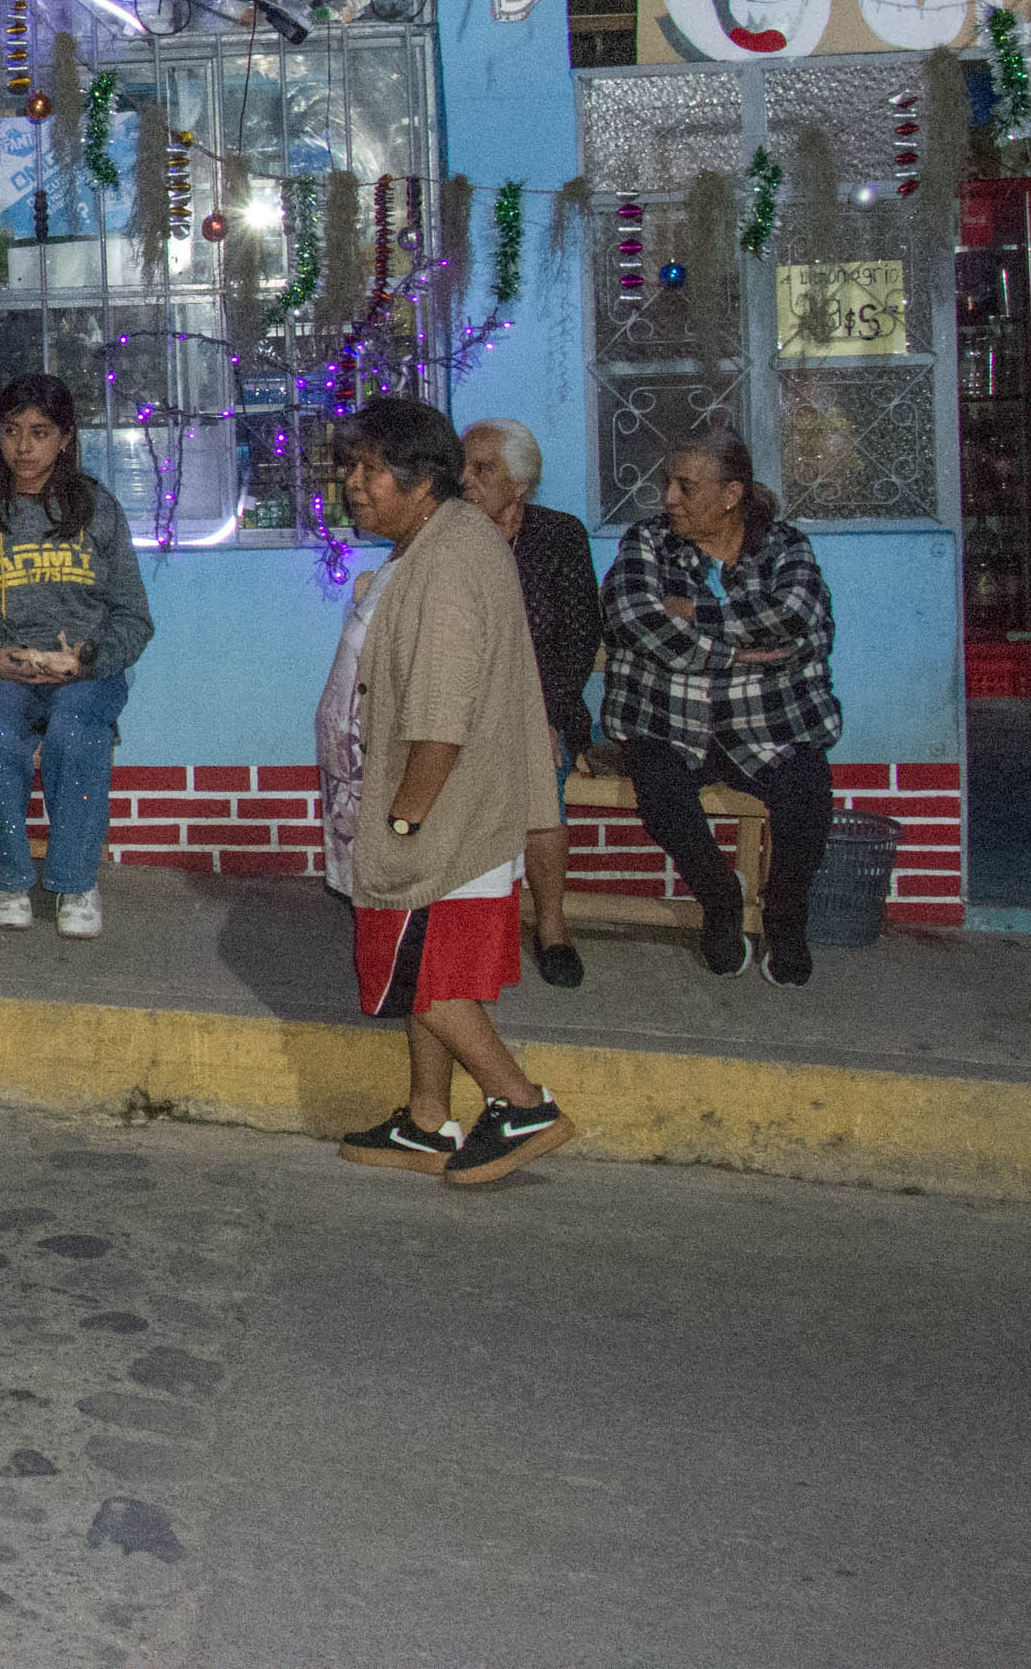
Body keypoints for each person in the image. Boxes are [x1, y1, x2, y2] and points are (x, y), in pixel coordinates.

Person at [326, 397, 579, 1187]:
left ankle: (519, 1101)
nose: (353, 485)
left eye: (369, 470)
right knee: (435, 967)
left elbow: (441, 712)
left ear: (421, 480)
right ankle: (427, 1117)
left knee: (407, 966)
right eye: (351, 468)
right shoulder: (448, 540)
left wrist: (404, 818)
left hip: (443, 807)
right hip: (468, 805)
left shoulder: (444, 561)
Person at [601, 435, 843, 988]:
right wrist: (739, 651)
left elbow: (797, 617)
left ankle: (784, 916)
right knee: (660, 792)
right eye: (669, 483)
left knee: (807, 793)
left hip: (767, 725)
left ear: (732, 494)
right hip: (668, 723)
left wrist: (696, 614)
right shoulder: (648, 543)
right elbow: (633, 619)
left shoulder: (786, 547)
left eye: (686, 486)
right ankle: (720, 898)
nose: (669, 497)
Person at [0, 372, 155, 939]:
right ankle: (11, 879)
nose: (23, 447)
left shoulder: (96, 509)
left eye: (39, 432)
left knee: (75, 731)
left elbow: (135, 619)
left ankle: (74, 882)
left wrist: (84, 661)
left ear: (65, 438)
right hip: (6, 671)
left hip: (85, 672)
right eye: (12, 431)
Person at [461, 417, 601, 989]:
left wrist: (542, 712)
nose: (466, 480)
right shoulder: (451, 538)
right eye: (463, 468)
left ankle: (551, 926)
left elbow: (580, 635)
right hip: (469, 705)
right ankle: (468, 927)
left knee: (540, 779)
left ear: (519, 483)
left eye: (483, 469)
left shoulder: (559, 535)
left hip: (544, 705)